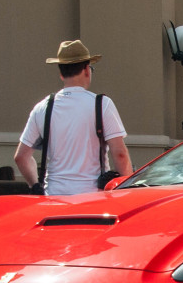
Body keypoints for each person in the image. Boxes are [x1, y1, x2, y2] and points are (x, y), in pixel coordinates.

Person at [15, 39, 133, 195]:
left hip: (54, 197)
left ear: (61, 74)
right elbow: (120, 154)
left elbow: (21, 157)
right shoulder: (101, 104)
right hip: (93, 196)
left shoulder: (42, 108)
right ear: (86, 70)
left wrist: (35, 185)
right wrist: (127, 189)